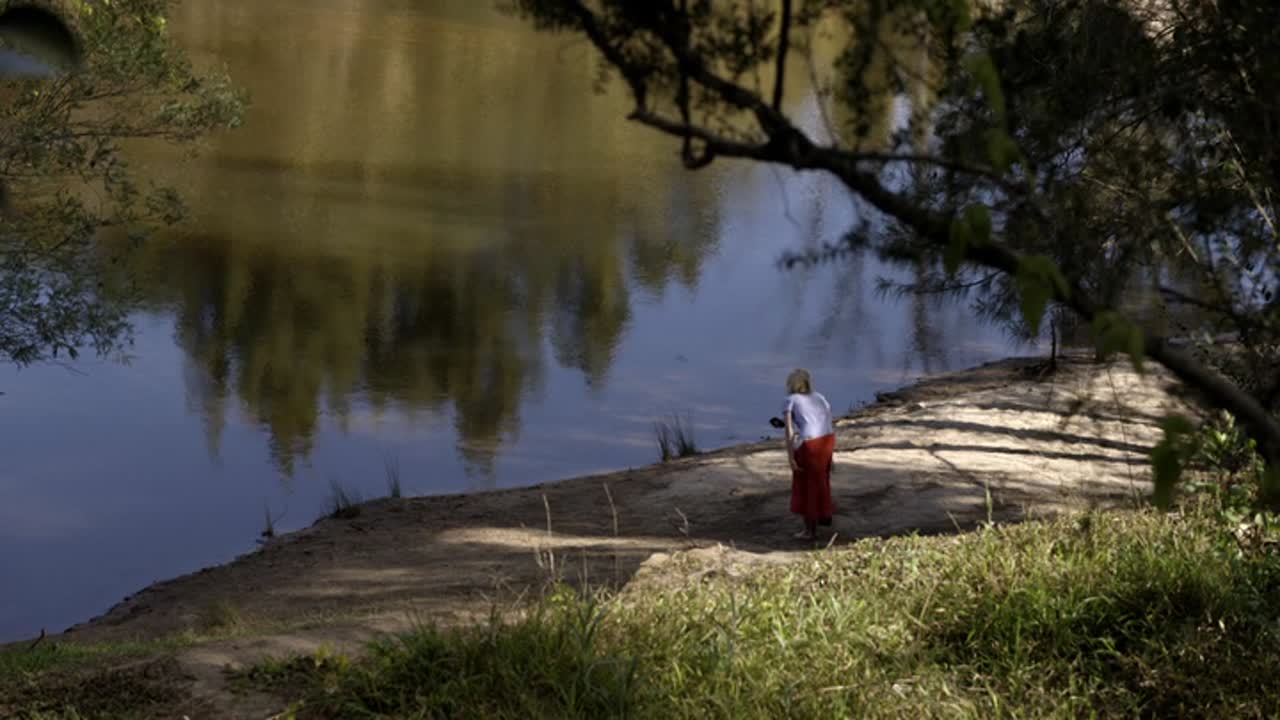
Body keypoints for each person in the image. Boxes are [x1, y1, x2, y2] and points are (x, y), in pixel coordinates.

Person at [782, 368, 835, 541]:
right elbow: (827, 422)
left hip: (810, 445)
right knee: (821, 481)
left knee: (805, 485)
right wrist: (831, 455)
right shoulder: (820, 397)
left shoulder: (791, 400)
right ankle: (824, 515)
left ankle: (809, 531)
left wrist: (791, 456)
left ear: (791, 384)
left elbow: (789, 431)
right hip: (827, 440)